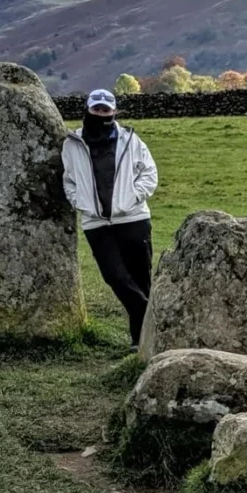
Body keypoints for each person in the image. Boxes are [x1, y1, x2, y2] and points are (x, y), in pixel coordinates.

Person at [62, 88, 159, 350]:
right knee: (115, 276)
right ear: (88, 109)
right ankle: (155, 320)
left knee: (141, 278)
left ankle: (140, 343)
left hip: (134, 219)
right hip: (96, 223)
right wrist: (80, 203)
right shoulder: (72, 143)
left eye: (106, 109)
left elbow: (149, 173)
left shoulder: (131, 140)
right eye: (97, 109)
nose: (101, 113)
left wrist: (133, 198)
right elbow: (68, 179)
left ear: (114, 111)